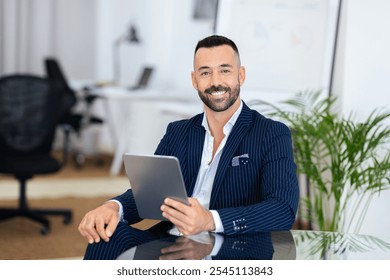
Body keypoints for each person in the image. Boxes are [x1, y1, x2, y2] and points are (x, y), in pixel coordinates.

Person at [78, 35, 299, 259]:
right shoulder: (178, 131)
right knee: (106, 235)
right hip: (171, 244)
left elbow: (282, 209)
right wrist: (113, 207)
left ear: (240, 75)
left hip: (231, 249)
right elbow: (150, 193)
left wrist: (209, 220)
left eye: (225, 70)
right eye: (205, 72)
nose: (215, 81)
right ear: (194, 80)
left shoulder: (271, 133)